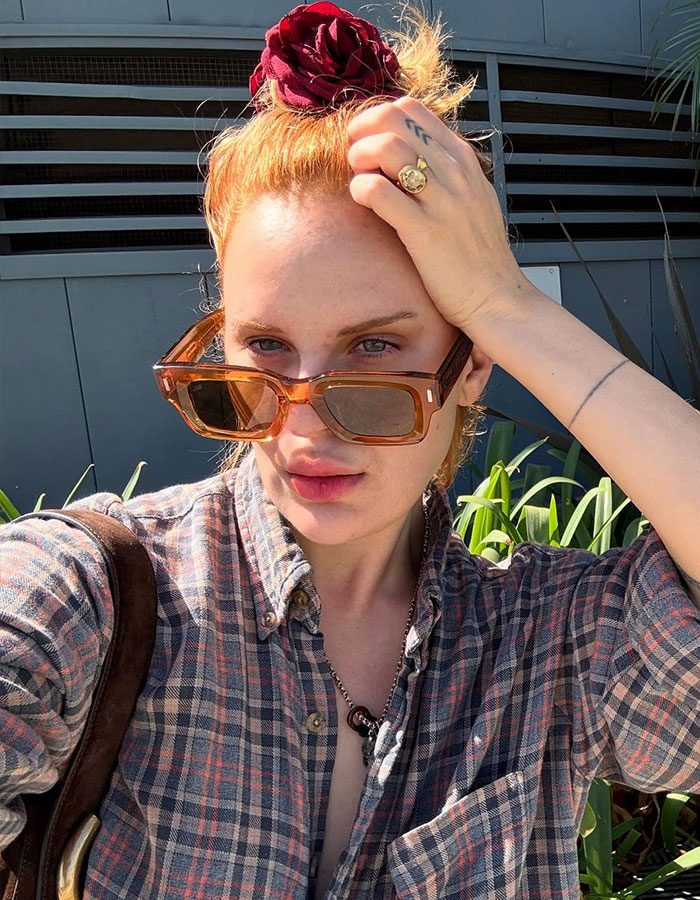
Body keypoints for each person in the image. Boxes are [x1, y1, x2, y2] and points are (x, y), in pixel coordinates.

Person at [1, 3, 699, 899]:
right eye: (265, 348)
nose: (303, 428)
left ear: (471, 361)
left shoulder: (547, 646)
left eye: (373, 349)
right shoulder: (97, 601)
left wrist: (508, 304)